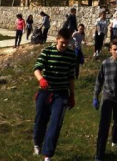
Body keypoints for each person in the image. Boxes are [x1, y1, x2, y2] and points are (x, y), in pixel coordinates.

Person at [33, 28, 76, 161]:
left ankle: (48, 155)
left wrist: (72, 94)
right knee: (40, 120)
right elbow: (37, 68)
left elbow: (70, 77)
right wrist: (41, 79)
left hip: (61, 94)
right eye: (62, 42)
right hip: (45, 92)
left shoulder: (71, 55)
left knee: (55, 123)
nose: (64, 45)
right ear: (57, 39)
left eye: (67, 42)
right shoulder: (47, 51)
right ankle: (37, 143)